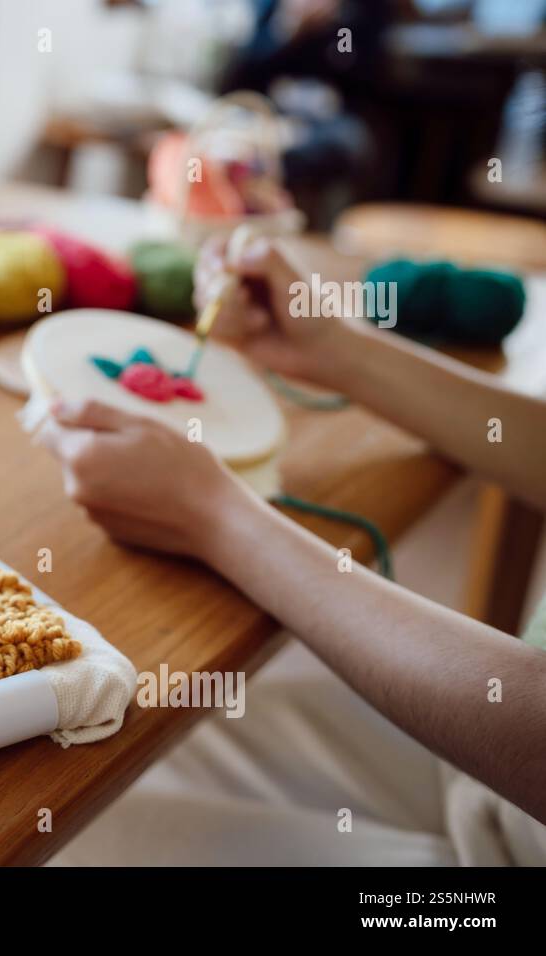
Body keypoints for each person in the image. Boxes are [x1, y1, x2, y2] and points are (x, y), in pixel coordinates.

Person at [38, 237, 546, 865]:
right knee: (104, 738)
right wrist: (333, 350)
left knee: (62, 839)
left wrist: (216, 518)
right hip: (501, 777)